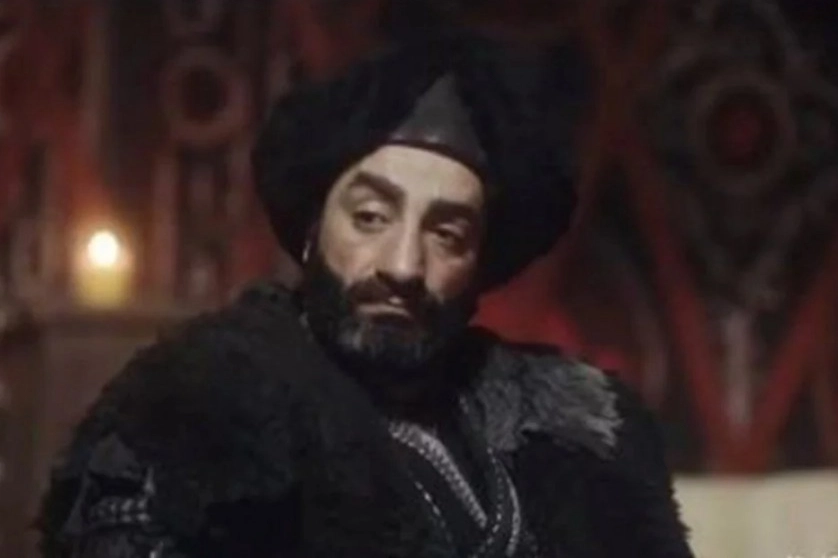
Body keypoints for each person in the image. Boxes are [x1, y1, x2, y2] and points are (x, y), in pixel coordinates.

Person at [38, 32, 694, 558]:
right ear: (312, 232)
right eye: (371, 218)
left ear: (478, 263)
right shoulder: (195, 410)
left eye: (446, 233)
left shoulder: (575, 435)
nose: (404, 265)